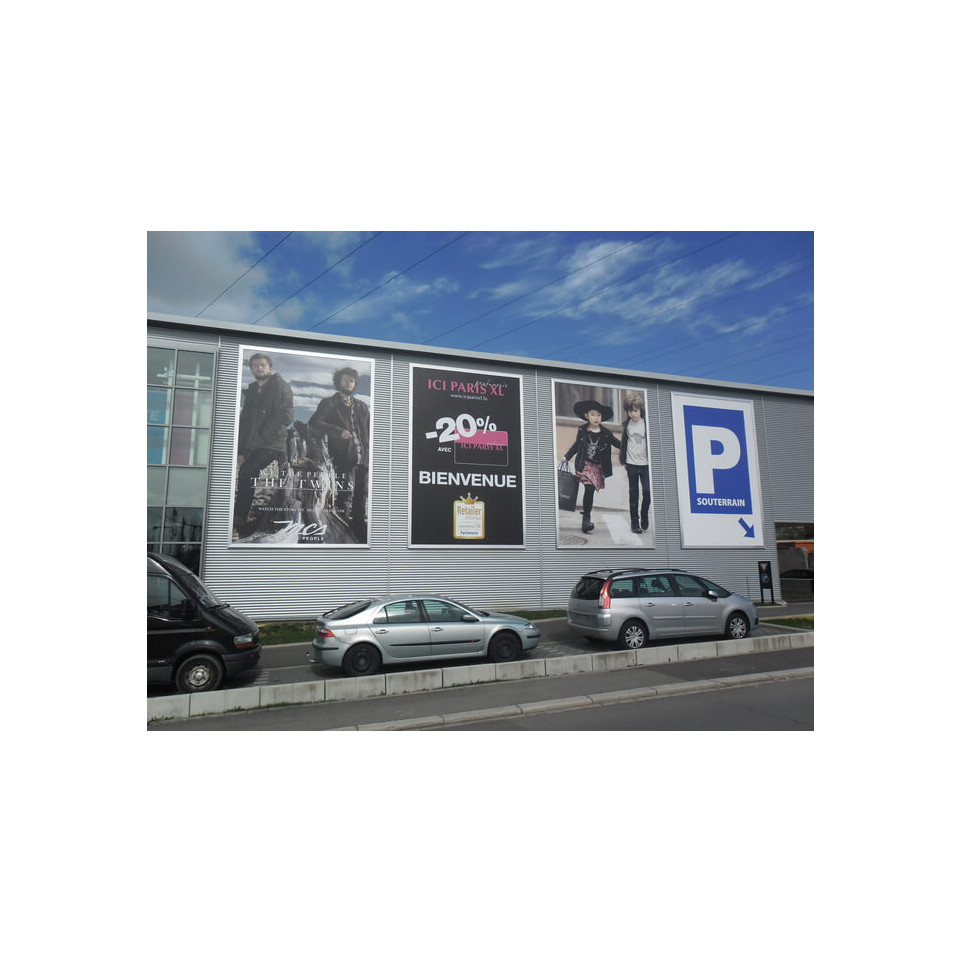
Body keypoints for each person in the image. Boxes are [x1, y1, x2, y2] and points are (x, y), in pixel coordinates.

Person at [234, 353, 294, 538]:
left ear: (270, 368)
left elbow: (286, 415)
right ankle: (240, 524)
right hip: (254, 444)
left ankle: (238, 522)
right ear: (251, 369)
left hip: (274, 442)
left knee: (248, 473)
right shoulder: (252, 391)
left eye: (262, 365)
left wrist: (263, 435)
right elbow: (244, 424)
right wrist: (241, 451)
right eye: (255, 365)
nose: (259, 368)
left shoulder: (280, 386)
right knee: (246, 476)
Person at [308, 367, 370, 543]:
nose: (348, 383)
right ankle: (342, 531)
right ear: (338, 382)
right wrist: (337, 431)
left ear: (355, 383)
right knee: (345, 495)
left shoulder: (362, 406)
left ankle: (359, 531)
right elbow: (315, 423)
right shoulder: (329, 403)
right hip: (343, 458)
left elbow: (370, 430)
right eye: (345, 380)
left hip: (363, 459)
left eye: (351, 381)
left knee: (362, 496)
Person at [563, 399, 621, 534]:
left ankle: (586, 513)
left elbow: (617, 443)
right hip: (585, 465)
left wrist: (630, 448)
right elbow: (577, 445)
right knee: (588, 487)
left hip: (598, 467)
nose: (596, 418)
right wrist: (567, 456)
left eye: (599, 415)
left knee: (590, 491)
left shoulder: (606, 433)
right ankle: (586, 519)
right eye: (593, 414)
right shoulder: (582, 430)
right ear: (587, 416)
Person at [620, 392, 651, 533]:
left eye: (635, 411)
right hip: (631, 464)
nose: (633, 414)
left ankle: (644, 514)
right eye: (630, 411)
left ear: (640, 410)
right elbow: (624, 444)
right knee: (634, 494)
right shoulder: (627, 425)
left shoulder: (646, 424)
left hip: (645, 464)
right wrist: (623, 460)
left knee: (647, 492)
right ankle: (634, 522)